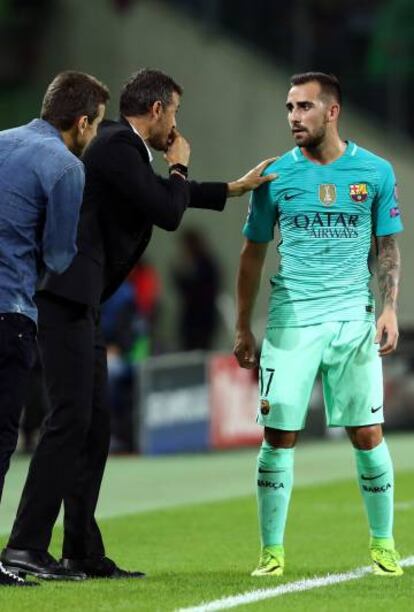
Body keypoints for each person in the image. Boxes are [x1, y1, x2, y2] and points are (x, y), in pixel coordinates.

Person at [1, 68, 276, 581]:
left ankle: (79, 547)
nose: (176, 122)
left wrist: (233, 189)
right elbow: (166, 209)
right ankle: (25, 545)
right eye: (174, 110)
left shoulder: (119, 150)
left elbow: (158, 197)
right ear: (156, 110)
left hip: (82, 302)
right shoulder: (113, 146)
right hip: (62, 298)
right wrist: (179, 166)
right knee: (69, 420)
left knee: (95, 423)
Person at [234, 72, 404, 578]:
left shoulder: (375, 171)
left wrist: (390, 307)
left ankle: (383, 544)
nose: (293, 118)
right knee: (278, 434)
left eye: (304, 107)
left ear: (332, 111)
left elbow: (388, 245)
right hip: (292, 321)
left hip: (354, 320)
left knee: (368, 433)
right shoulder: (273, 176)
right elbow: (251, 254)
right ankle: (272, 552)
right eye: (289, 108)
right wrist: (244, 326)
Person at [0, 70, 109, 586]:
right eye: (96, 126)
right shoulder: (65, 167)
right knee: (2, 436)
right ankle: (14, 554)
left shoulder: (1, 142)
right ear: (82, 122)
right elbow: (60, 254)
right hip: (10, 311)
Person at [172, 228, 221, 350]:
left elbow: (205, 291)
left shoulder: (206, 264)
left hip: (202, 319)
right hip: (191, 319)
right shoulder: (195, 264)